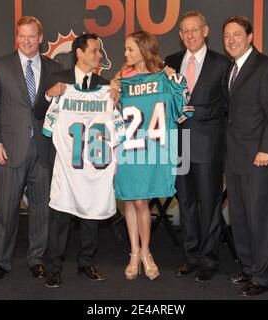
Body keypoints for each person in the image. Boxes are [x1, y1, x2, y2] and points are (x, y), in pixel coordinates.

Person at [0, 16, 63, 280]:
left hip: (43, 150)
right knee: (7, 208)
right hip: (9, 150)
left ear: (40, 38)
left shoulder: (55, 67)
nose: (26, 41)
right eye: (22, 36)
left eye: (31, 36)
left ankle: (36, 259)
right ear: (17, 37)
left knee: (41, 209)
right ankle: (1, 261)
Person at [34, 33, 113, 288]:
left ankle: (86, 262)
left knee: (91, 212)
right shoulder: (59, 80)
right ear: (79, 53)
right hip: (66, 163)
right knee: (60, 215)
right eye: (94, 51)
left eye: (99, 51)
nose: (99, 55)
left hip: (93, 165)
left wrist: (116, 100)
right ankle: (54, 266)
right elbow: (37, 111)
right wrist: (48, 95)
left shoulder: (105, 86)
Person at [114, 30, 194, 281]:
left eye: (129, 49)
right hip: (127, 146)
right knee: (129, 199)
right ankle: (134, 253)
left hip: (152, 148)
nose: (125, 53)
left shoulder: (163, 76)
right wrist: (113, 90)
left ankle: (146, 251)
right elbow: (110, 113)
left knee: (141, 201)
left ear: (143, 50)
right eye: (125, 49)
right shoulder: (121, 78)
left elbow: (185, 106)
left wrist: (176, 81)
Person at [164, 11, 231, 282]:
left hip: (208, 145)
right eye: (184, 31)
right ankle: (190, 257)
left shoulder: (221, 64)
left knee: (210, 203)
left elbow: (228, 106)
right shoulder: (170, 62)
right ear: (180, 36)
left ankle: (208, 259)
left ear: (205, 31)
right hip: (180, 145)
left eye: (194, 30)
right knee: (187, 203)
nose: (190, 35)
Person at [223, 16, 268, 296]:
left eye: (237, 34)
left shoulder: (267, 66)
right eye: (226, 36)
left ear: (250, 37)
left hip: (258, 157)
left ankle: (261, 276)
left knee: (258, 216)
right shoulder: (231, 69)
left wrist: (266, 149)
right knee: (239, 216)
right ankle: (248, 267)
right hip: (234, 156)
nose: (231, 40)